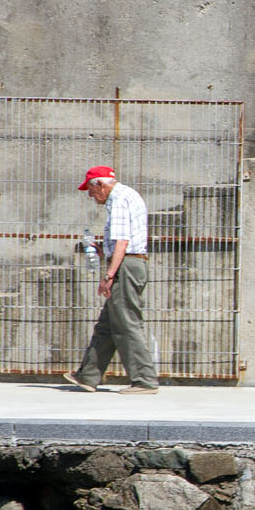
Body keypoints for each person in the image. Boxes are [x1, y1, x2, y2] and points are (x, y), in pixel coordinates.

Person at [63, 165, 160, 394]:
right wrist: (104, 251)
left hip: (126, 265)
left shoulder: (118, 200)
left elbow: (122, 241)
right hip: (128, 263)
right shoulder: (126, 195)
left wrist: (109, 275)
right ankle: (88, 376)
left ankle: (144, 380)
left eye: (91, 189)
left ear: (101, 185)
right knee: (107, 325)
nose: (90, 195)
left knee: (126, 323)